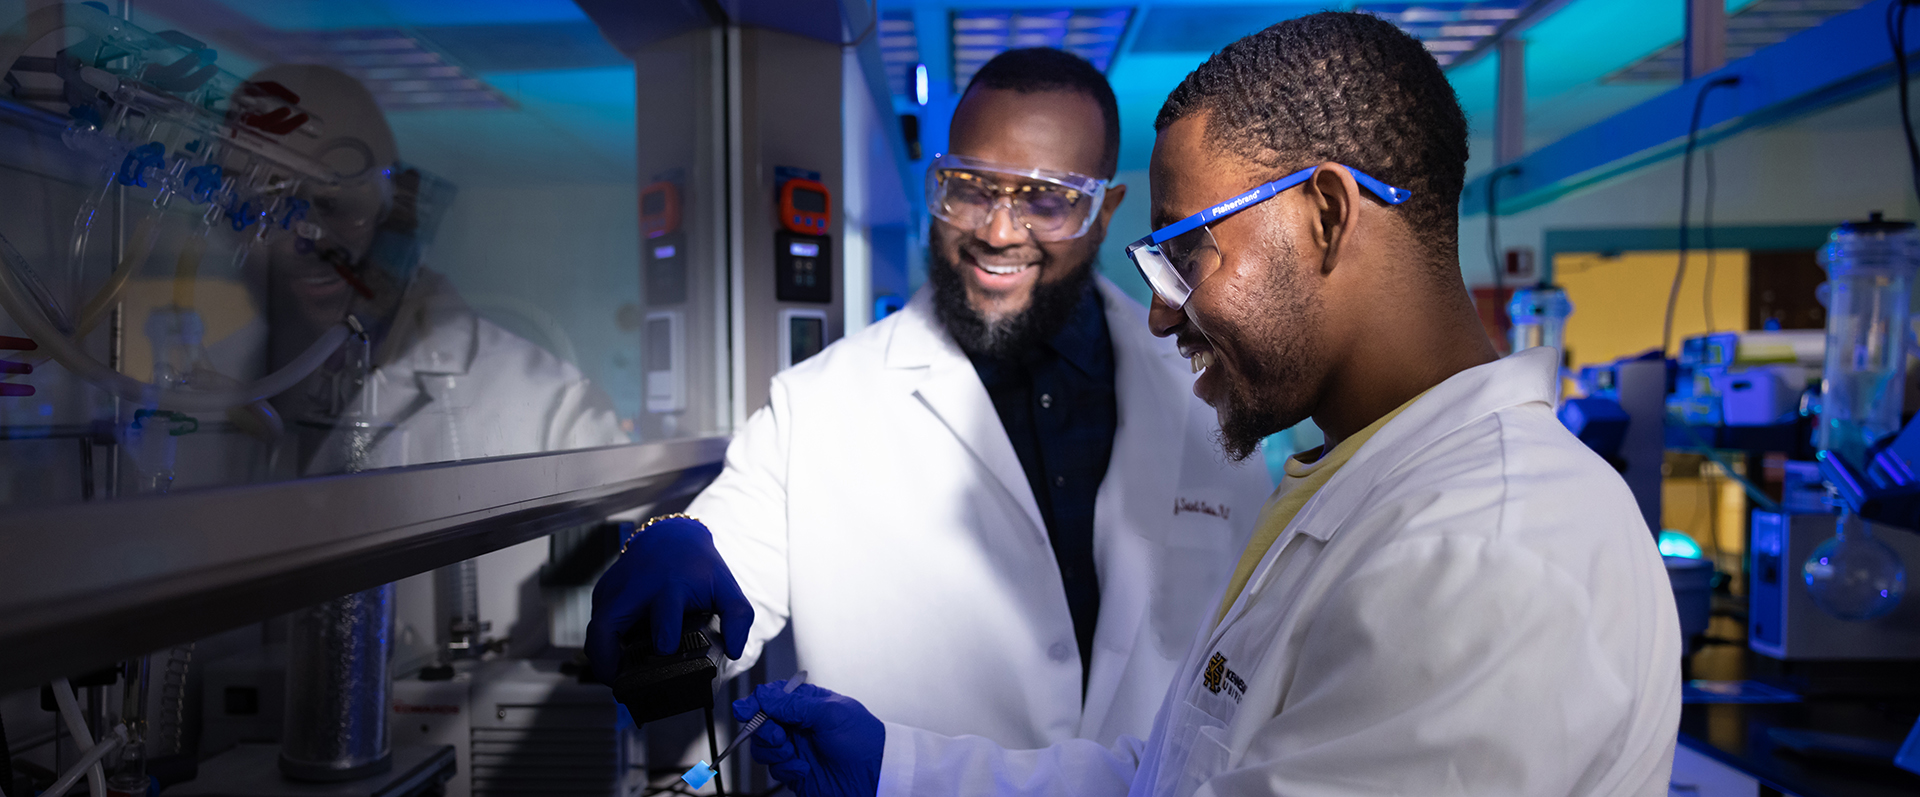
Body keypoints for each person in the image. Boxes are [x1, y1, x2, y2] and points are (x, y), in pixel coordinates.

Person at [725, 13, 1683, 796]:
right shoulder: (1358, 490)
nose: (1157, 316)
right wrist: (905, 767)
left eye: (1188, 254)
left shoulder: (1485, 553)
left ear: (1327, 216)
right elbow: (1181, 779)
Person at [585, 48, 1270, 753]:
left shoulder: (1204, 388)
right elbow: (729, 565)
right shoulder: (818, 405)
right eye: (969, 187)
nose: (998, 232)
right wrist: (681, 551)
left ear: (1103, 210)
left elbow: (1251, 625)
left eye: (1045, 197)